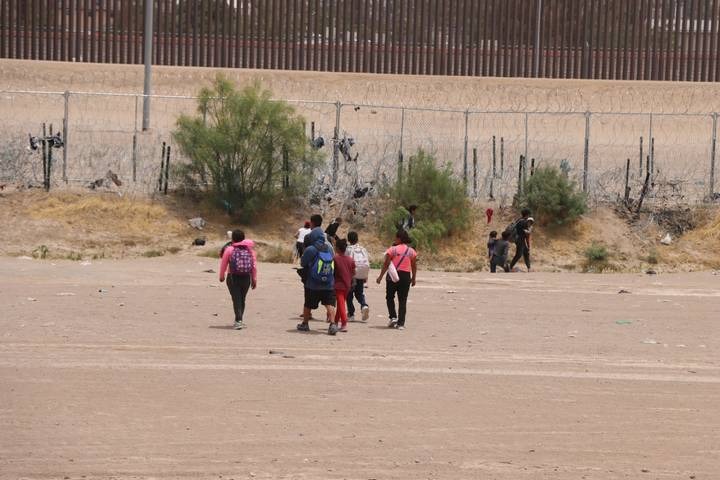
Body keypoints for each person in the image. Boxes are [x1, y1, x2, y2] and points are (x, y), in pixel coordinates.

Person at [298, 225, 338, 335]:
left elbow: (302, 263)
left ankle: (305, 324)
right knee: (329, 303)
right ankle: (333, 324)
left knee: (308, 304)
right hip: (328, 282)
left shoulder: (311, 249)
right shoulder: (329, 247)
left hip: (313, 283)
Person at [376, 230, 417, 330]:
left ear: (399, 238)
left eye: (395, 238)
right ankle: (401, 324)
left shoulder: (392, 249)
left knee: (390, 297)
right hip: (406, 276)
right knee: (402, 300)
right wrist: (414, 278)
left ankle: (393, 317)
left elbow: (386, 264)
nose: (394, 239)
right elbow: (414, 265)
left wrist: (380, 276)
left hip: (392, 276)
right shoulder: (411, 251)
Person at [218, 230, 258, 330]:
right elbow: (254, 266)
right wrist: (254, 279)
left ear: (232, 239)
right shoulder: (250, 250)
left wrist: (221, 276)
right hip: (246, 277)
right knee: (242, 299)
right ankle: (239, 320)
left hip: (233, 277)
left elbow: (224, 263)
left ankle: (238, 321)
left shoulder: (229, 249)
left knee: (236, 299)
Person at [346, 231, 370, 322]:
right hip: (361, 274)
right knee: (359, 293)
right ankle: (364, 305)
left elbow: (345, 262)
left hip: (351, 276)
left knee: (349, 295)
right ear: (357, 239)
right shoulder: (362, 249)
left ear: (349, 239)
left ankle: (351, 314)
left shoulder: (348, 249)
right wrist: (365, 276)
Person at [333, 238, 355, 332]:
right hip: (347, 285)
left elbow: (332, 271)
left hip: (338, 285)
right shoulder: (350, 259)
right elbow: (353, 272)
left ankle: (344, 323)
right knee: (341, 303)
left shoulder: (335, 259)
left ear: (337, 248)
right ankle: (336, 322)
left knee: (341, 304)